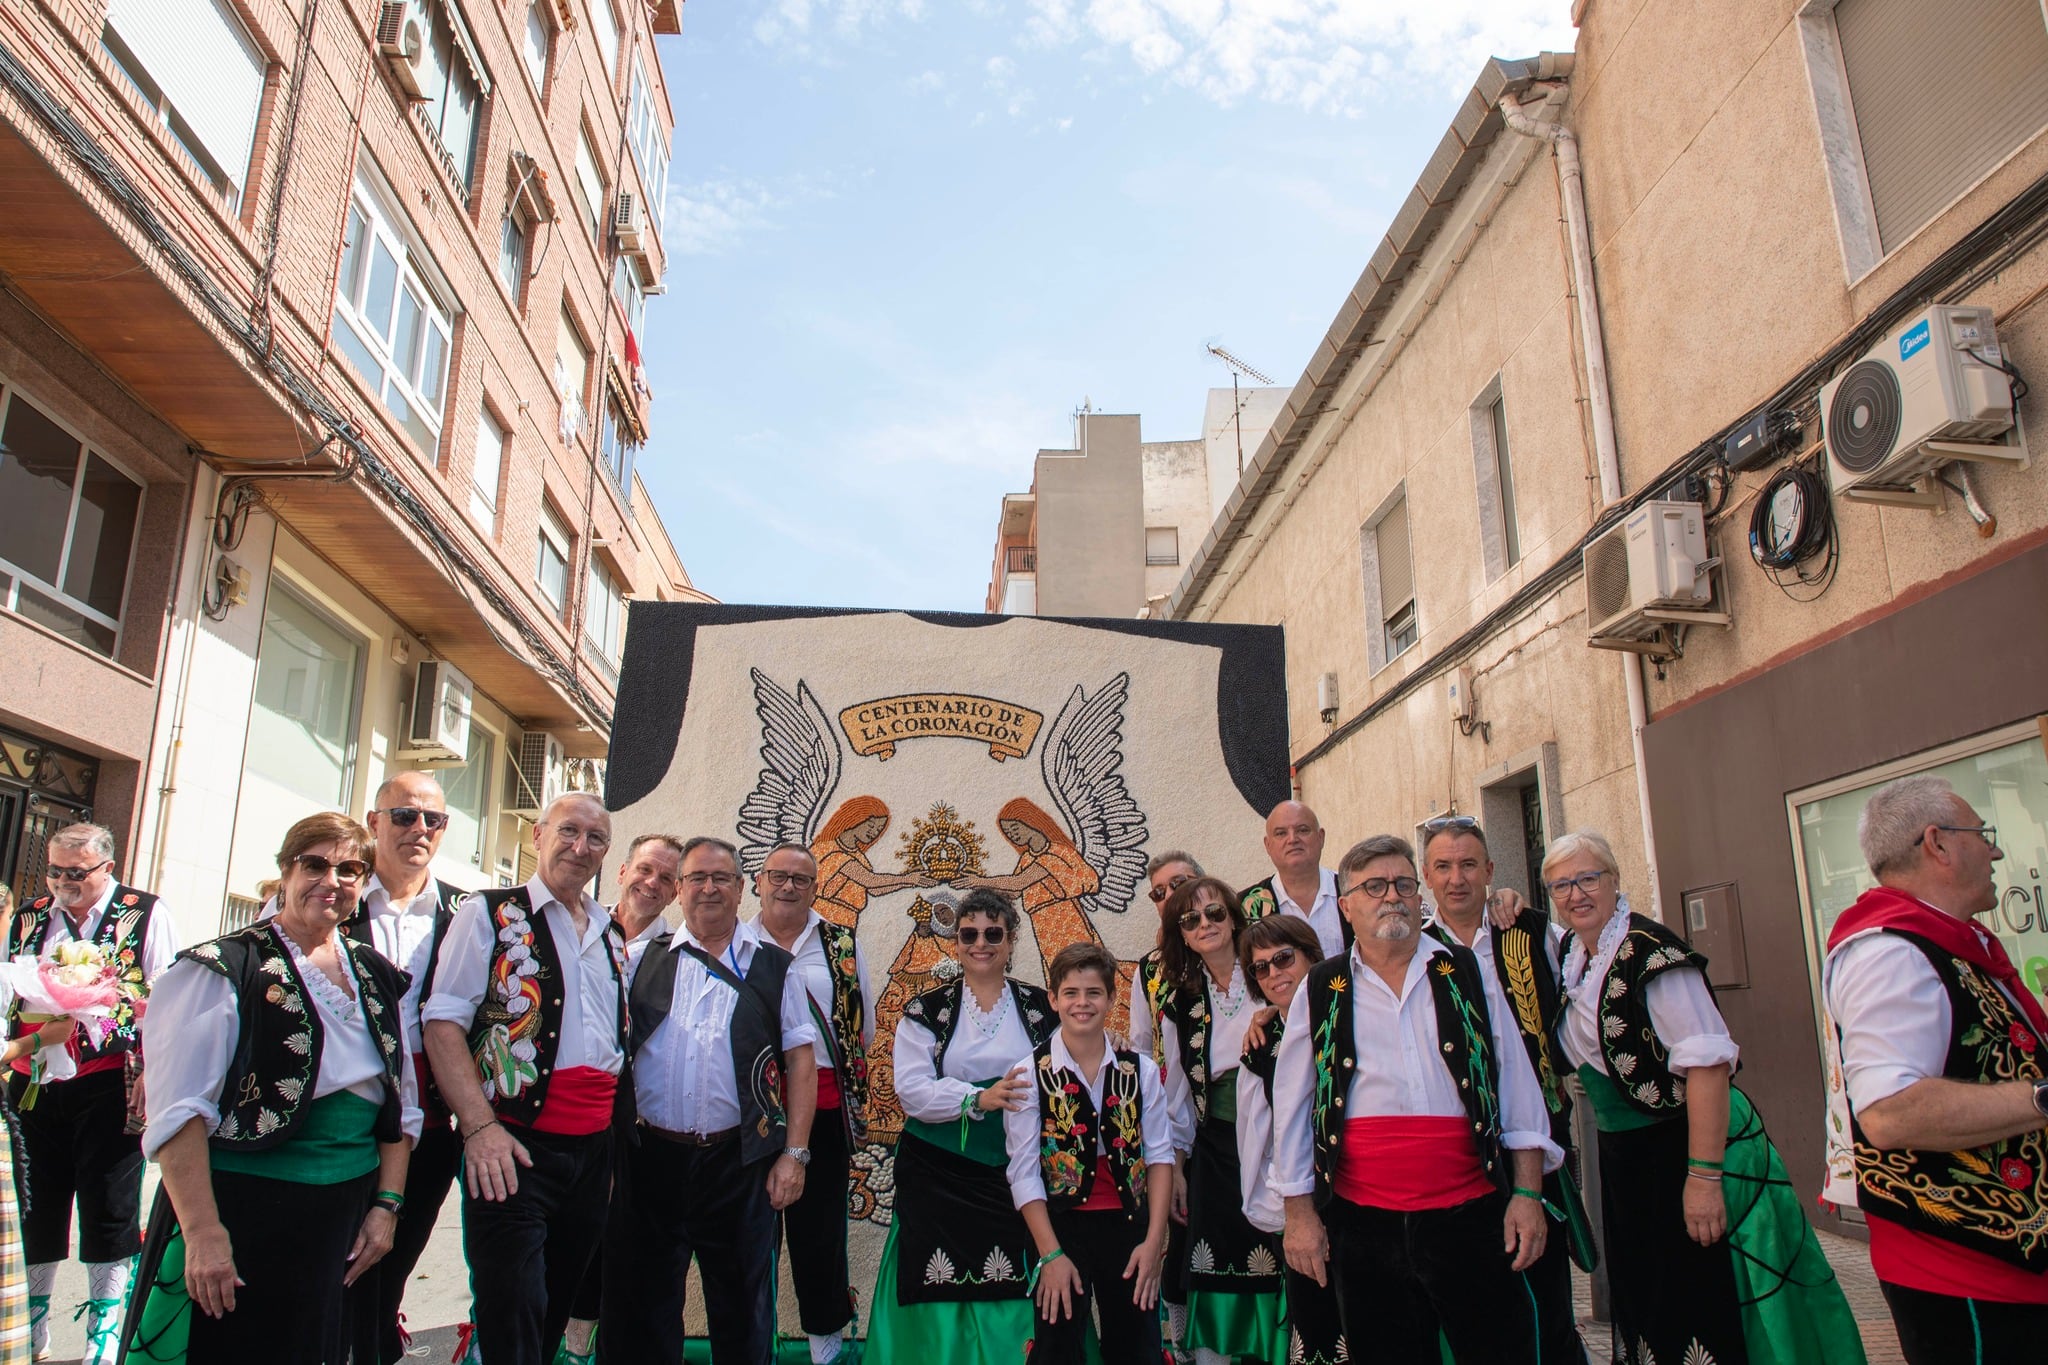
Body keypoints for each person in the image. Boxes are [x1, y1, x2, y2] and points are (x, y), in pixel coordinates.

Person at [1549, 829, 1863, 1365]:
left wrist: (1703, 1178)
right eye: (1560, 885)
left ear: (1615, 880)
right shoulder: (1573, 955)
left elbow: (1709, 1067)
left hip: (1687, 1145)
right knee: (1650, 1297)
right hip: (1628, 1158)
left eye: (1588, 878)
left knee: (1702, 1291)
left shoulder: (1652, 954)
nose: (1576, 893)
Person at [126, 812, 417, 1363]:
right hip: (244, 1211)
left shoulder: (375, 972)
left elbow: (399, 1104)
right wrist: (204, 1233)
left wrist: (387, 1204)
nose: (332, 881)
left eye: (350, 869)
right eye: (315, 864)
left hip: (343, 1215)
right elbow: (178, 1114)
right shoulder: (222, 967)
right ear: (286, 871)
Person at [1274, 835, 1554, 1364]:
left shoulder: (1464, 972)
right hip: (1363, 1226)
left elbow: (1517, 1088)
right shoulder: (1322, 987)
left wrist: (1528, 1194)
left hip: (1471, 1217)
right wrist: (1299, 1216)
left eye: (1404, 884)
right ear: (1346, 905)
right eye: (1374, 886)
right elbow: (1291, 1108)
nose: (1393, 897)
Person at [1823, 776, 2048, 1360]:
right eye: (1984, 835)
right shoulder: (1890, 953)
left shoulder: (1944, 941)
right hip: (1968, 1273)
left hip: (2004, 1263)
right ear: (1939, 845)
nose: (1996, 851)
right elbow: (1891, 1114)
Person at [422, 793, 630, 1365]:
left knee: (553, 1307)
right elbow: (442, 1024)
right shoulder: (488, 912)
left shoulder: (611, 933)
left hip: (590, 1152)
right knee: (512, 1305)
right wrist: (479, 1127)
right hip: (513, 1143)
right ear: (537, 836)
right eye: (568, 831)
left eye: (594, 839)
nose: (579, 847)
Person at [599, 836, 817, 1365]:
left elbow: (801, 1064)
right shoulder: (637, 961)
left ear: (743, 889)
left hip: (739, 1164)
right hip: (650, 1161)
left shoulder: (775, 967)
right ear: (678, 890)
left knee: (742, 1309)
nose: (709, 888)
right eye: (697, 877)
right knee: (642, 1309)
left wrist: (794, 1154)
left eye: (722, 878)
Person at [1419, 815, 1588, 1364]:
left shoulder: (1531, 930)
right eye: (1443, 866)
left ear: (1491, 870)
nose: (1457, 878)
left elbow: (1584, 993)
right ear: (1426, 875)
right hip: (1460, 1151)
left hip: (1537, 1139)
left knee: (1544, 1290)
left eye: (1469, 864)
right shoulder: (1414, 950)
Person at [7, 823, 177, 1364]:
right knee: (36, 1202)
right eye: (54, 870)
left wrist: (153, 1069)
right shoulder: (31, 916)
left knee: (109, 1205)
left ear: (106, 868)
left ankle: (104, 1335)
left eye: (75, 873)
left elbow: (165, 995)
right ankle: (31, 1327)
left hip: (111, 1080)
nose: (62, 883)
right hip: (36, 1079)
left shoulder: (143, 911)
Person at [863, 889, 1055, 1365]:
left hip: (1016, 1169)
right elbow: (911, 1091)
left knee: (1017, 1272)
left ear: (1011, 940)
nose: (981, 943)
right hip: (937, 1171)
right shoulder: (926, 1010)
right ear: (955, 941)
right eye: (969, 934)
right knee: (934, 1275)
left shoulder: (1042, 1007)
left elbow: (1067, 1071)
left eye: (994, 933)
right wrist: (978, 1097)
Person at [339, 774, 473, 1365]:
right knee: (334, 1269)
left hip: (429, 1129)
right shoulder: (330, 895)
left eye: (433, 820)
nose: (419, 829)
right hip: (339, 1120)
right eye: (404, 816)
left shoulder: (466, 913)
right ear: (374, 822)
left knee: (388, 1270)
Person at [1006, 942, 1172, 1365]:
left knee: (1137, 1346)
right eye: (1072, 993)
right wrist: (1051, 1255)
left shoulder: (1141, 1070)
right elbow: (1024, 1174)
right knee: (1057, 1347)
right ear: (1054, 999)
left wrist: (1154, 1243)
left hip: (1128, 1226)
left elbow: (1159, 1159)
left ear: (1111, 999)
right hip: (1061, 1228)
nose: (1082, 1003)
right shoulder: (1029, 1073)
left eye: (1094, 993)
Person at [558, 832, 683, 1365]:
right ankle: (567, 1345)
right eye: (645, 870)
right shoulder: (572, 930)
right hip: (566, 1126)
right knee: (563, 1255)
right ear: (622, 871)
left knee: (634, 1267)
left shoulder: (679, 954)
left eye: (666, 878)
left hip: (638, 1134)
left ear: (675, 893)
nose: (652, 884)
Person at [750, 842, 873, 1365]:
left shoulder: (840, 942)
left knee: (819, 1237)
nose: (788, 886)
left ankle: (826, 1350)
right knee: (748, 1238)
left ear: (816, 887)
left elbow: (860, 1030)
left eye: (801, 879)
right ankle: (753, 1345)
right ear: (758, 881)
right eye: (779, 876)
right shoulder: (735, 940)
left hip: (821, 1110)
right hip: (747, 1111)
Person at [1154, 879, 1285, 1365]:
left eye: (1214, 914)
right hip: (1215, 1152)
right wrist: (1179, 1171)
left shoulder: (1270, 977)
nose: (1204, 925)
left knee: (1283, 1266)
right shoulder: (1180, 1002)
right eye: (1191, 921)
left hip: (1277, 1146)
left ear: (1233, 918)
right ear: (1181, 935)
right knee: (1212, 1270)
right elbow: (1178, 1100)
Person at [1234, 915, 1344, 1365]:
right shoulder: (1260, 1044)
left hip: (1371, 1198)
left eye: (1283, 958)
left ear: (1311, 956)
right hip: (1305, 1204)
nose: (1274, 973)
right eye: (1261, 968)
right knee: (1318, 1322)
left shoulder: (1349, 1014)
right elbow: (1257, 1138)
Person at [1126, 849, 1200, 1360]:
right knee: (1181, 1233)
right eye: (1159, 892)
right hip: (1176, 1123)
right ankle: (1183, 1344)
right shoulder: (1150, 970)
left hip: (1237, 1118)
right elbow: (1138, 1050)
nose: (1169, 896)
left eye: (1180, 884)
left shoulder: (1242, 949)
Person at [1239, 802, 1346, 957]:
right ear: (1268, 845)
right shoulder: (1247, 905)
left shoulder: (1352, 890)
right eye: (1281, 833)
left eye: (1302, 830)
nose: (1292, 839)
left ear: (1321, 837)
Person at [809, 798, 927, 929]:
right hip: (825, 916)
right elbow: (869, 880)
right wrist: (907, 878)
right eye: (871, 825)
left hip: (848, 921)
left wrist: (910, 882)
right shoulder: (827, 849)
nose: (874, 832)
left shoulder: (860, 858)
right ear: (856, 818)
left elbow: (874, 890)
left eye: (879, 829)